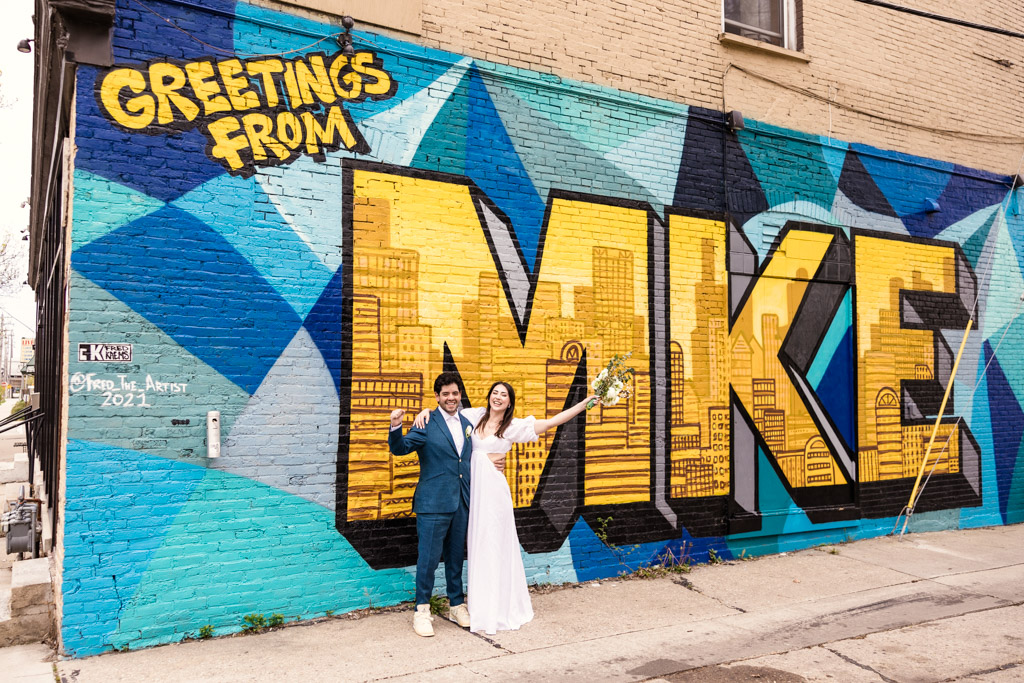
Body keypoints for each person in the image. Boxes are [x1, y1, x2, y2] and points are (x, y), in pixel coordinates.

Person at [413, 381, 597, 635]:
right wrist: (424, 412)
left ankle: (495, 606)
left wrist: (583, 404)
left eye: (504, 395)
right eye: (495, 393)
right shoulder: (473, 415)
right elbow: (445, 415)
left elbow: (550, 423)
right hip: (467, 495)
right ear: (489, 396)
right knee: (473, 549)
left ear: (509, 402)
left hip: (493, 495)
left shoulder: (512, 427)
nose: (498, 397)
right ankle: (456, 606)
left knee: (492, 546)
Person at [389, 372, 474, 637]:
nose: (451, 398)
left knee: (455, 558)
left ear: (460, 395)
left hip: (461, 500)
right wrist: (395, 425)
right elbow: (400, 448)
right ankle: (422, 610)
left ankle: (456, 604)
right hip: (433, 502)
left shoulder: (468, 421)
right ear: (437, 397)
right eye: (446, 394)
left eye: (455, 393)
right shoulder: (426, 421)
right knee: (427, 560)